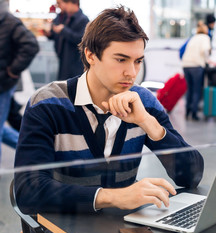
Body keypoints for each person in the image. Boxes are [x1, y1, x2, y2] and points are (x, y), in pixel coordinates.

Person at [14, 6, 204, 215]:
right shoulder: (48, 104)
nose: (131, 73)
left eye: (138, 61)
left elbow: (192, 177)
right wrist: (112, 197)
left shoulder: (143, 103)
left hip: (125, 227)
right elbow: (27, 192)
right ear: (90, 55)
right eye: (121, 59)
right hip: (65, 228)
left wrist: (147, 122)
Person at [0, 0, 39, 165]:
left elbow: (30, 45)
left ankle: (37, 151)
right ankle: (37, 151)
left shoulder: (9, 21)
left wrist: (13, 70)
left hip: (3, 85)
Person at [50, 0, 89, 80]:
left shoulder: (83, 19)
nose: (65, 6)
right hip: (64, 59)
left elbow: (82, 39)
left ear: (74, 3)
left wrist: (64, 30)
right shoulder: (65, 17)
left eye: (67, 3)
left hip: (75, 63)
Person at [182, 21, 211, 121]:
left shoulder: (193, 38)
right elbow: (205, 50)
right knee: (196, 90)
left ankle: (187, 112)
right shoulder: (205, 38)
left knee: (189, 89)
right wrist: (207, 60)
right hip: (196, 66)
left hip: (186, 65)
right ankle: (194, 113)